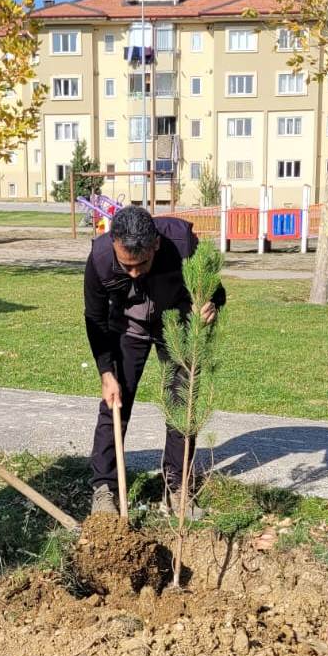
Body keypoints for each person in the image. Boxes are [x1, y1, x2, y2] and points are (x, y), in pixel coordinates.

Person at [84, 206, 226, 515]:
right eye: (127, 266)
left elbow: (217, 291)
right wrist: (106, 372)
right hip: (127, 328)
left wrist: (212, 304)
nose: (134, 273)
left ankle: (177, 487)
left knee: (181, 406)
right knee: (114, 406)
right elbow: (94, 317)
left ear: (156, 245)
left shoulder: (184, 246)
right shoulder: (100, 258)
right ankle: (104, 489)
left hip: (176, 327)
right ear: (114, 245)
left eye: (142, 264)